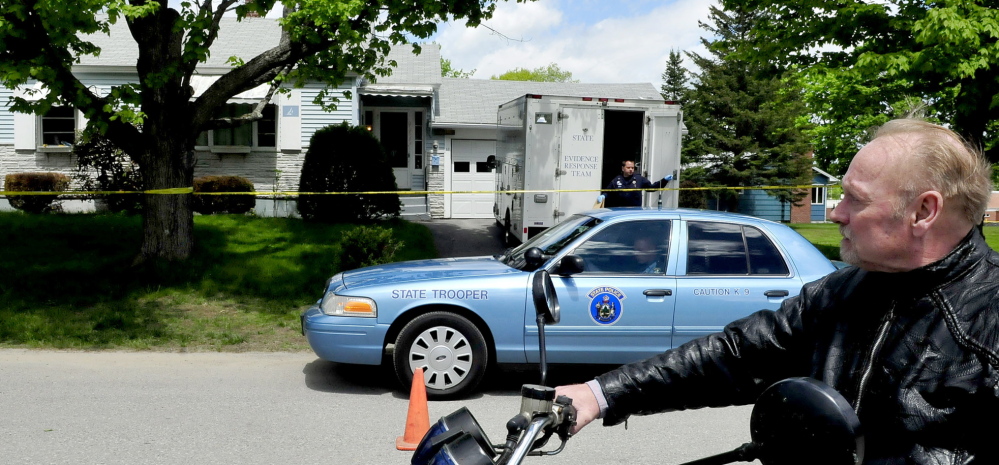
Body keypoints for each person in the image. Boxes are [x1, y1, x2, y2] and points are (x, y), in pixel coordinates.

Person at [556, 118, 999, 464]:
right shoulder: (839, 294)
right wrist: (599, 394)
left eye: (855, 199)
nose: (835, 213)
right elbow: (734, 355)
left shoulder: (988, 322)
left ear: (924, 210)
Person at [600, 160, 673, 207]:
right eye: (628, 167)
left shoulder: (639, 179)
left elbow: (652, 188)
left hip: (635, 211)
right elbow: (608, 192)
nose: (631, 169)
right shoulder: (616, 180)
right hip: (620, 211)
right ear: (623, 168)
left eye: (632, 168)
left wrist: (664, 180)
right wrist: (603, 196)